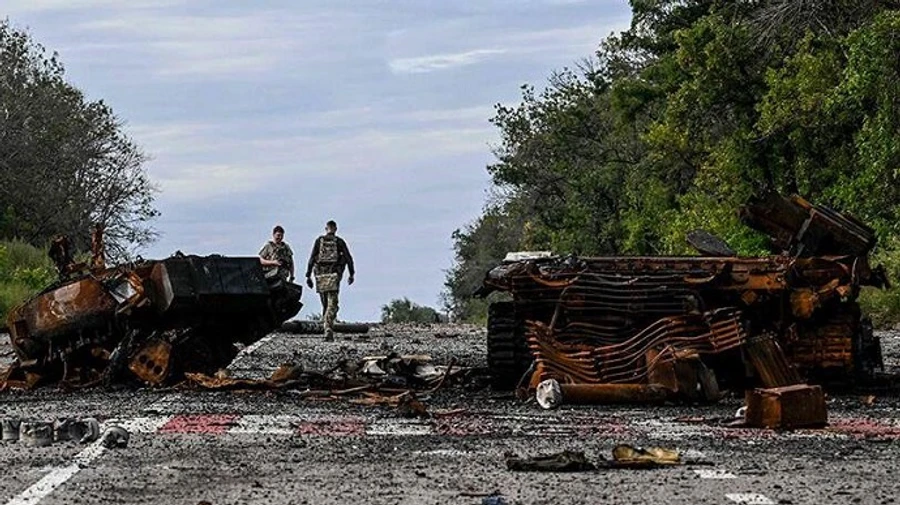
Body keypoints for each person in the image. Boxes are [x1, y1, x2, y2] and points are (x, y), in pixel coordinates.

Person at [305, 220, 354, 341]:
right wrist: (351, 274)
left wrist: (308, 276)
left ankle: (326, 326)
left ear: (326, 228)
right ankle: (328, 328)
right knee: (332, 304)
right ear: (335, 229)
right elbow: (348, 258)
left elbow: (312, 258)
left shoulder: (319, 241)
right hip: (333, 275)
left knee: (325, 303)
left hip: (320, 275)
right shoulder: (339, 241)